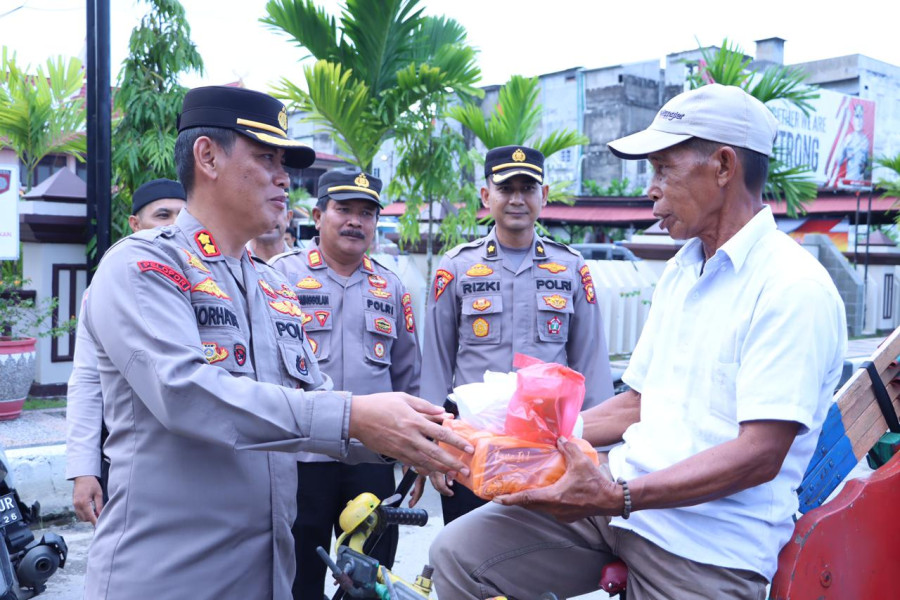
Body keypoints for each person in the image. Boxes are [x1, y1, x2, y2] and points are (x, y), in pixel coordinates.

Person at [429, 83, 848, 600]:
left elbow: (760, 454)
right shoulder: (683, 269)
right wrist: (509, 433)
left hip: (704, 547)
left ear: (722, 167)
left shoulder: (791, 287)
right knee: (457, 555)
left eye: (662, 168)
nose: (650, 188)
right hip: (622, 509)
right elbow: (639, 403)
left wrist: (617, 495)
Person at [81, 85, 471, 600]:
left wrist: (421, 438)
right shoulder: (146, 266)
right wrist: (354, 416)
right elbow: (185, 393)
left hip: (267, 576)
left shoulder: (271, 287)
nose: (285, 178)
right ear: (208, 156)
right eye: (266, 158)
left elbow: (317, 401)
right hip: (170, 577)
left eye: (285, 162)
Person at [420, 144, 615, 524]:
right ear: (486, 195)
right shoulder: (457, 267)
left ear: (543, 196)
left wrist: (600, 451)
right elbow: (436, 365)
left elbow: (591, 364)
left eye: (527, 189)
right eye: (506, 188)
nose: (516, 199)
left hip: (549, 452)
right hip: (473, 449)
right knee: (467, 564)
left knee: (540, 567)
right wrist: (432, 445)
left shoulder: (571, 268)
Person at [269, 167, 421, 600]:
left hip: (371, 460)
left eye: (367, 213)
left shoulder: (390, 286)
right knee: (298, 576)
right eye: (344, 209)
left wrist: (416, 451)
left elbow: (409, 376)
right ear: (318, 216)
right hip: (302, 457)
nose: (356, 221)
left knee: (370, 579)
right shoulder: (279, 275)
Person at [65, 178, 186, 526]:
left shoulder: (206, 282)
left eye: (182, 216)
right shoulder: (110, 282)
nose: (173, 226)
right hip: (127, 456)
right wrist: (84, 470)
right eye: (162, 215)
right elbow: (87, 379)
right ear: (135, 224)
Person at [250, 197, 293, 262]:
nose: (268, 219)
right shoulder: (234, 261)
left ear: (288, 217)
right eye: (260, 211)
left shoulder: (301, 266)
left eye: (276, 210)